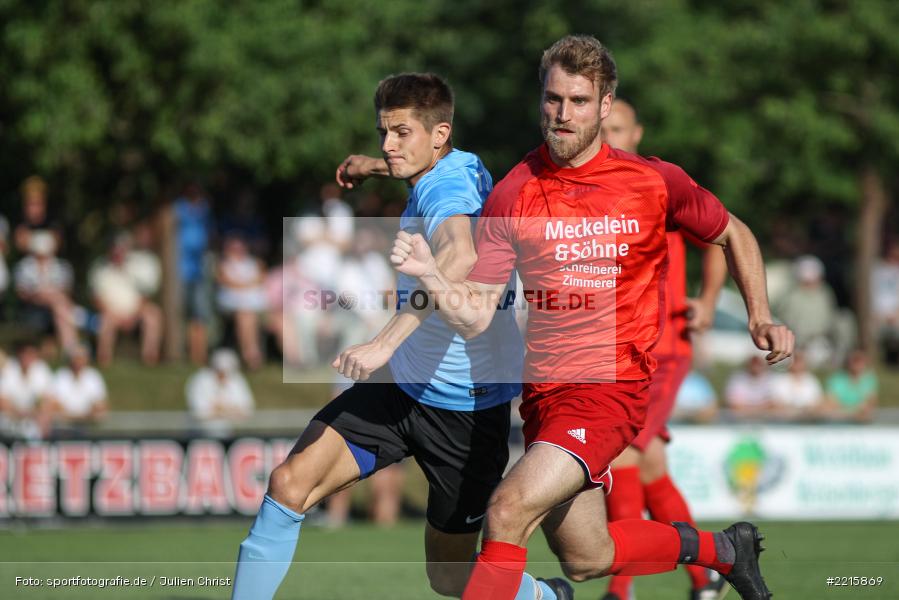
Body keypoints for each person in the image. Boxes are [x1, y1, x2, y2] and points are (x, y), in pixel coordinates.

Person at [389, 36, 793, 600]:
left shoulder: (653, 181)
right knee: (586, 557)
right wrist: (432, 278)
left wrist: (760, 316)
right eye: (553, 99)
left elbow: (733, 232)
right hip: (543, 395)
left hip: (610, 388)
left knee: (507, 509)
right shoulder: (515, 192)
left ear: (604, 105)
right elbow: (477, 312)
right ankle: (724, 550)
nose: (562, 113)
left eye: (578, 101)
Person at [232, 73, 566, 600]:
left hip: (465, 412)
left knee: (449, 578)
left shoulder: (447, 190)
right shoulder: (459, 164)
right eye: (383, 133)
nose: (389, 144)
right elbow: (417, 166)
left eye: (400, 133)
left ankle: (546, 597)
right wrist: (369, 165)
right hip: (401, 389)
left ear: (439, 134)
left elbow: (459, 253)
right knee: (289, 484)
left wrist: (383, 342)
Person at [598, 98, 728, 600]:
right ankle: (707, 574)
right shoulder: (588, 193)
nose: (607, 137)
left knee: (622, 457)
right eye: (601, 129)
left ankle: (621, 588)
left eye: (617, 128)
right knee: (649, 467)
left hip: (663, 349)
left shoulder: (659, 184)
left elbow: (719, 238)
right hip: (617, 351)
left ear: (638, 134)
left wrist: (709, 301)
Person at [90, 233, 163, 366]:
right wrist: (114, 315)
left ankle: (149, 359)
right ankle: (104, 360)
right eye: (115, 249)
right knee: (105, 321)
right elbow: (97, 299)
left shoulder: (138, 266)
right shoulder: (100, 268)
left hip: (135, 313)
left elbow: (145, 296)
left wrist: (134, 315)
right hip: (111, 314)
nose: (118, 253)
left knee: (153, 315)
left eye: (121, 249)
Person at [215, 234, 268, 369]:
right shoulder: (224, 264)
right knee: (245, 316)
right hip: (232, 302)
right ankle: (251, 354)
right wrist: (246, 285)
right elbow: (227, 282)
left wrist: (242, 285)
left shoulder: (255, 263)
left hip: (251, 303)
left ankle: (250, 353)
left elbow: (261, 278)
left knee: (247, 316)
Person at [186, 348, 254, 438]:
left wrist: (219, 410)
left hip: (231, 436)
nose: (223, 375)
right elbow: (200, 413)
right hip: (201, 436)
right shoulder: (200, 380)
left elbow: (247, 411)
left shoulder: (237, 379)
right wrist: (230, 411)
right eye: (220, 371)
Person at [47, 344, 108, 435]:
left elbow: (100, 405)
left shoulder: (94, 376)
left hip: (87, 427)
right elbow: (53, 403)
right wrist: (75, 417)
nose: (78, 361)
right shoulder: (60, 375)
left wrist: (82, 417)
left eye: (81, 358)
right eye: (76, 358)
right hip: (62, 428)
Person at [0, 340, 54, 440]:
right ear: (19, 354)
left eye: (31, 354)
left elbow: (46, 401)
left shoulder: (42, 369)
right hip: (9, 421)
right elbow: (3, 401)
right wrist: (21, 413)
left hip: (32, 422)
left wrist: (38, 415)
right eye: (25, 353)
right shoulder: (8, 368)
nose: (28, 357)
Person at [823, 349, 878, 422]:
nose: (858, 364)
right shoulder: (836, 379)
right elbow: (831, 403)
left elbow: (871, 403)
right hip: (839, 419)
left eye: (860, 361)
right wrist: (853, 411)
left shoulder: (869, 379)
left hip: (861, 419)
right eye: (855, 360)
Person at [768, 352, 823, 421]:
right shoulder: (781, 380)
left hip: (807, 418)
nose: (798, 365)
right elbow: (776, 402)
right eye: (796, 362)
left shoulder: (811, 380)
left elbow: (817, 402)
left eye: (800, 362)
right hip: (784, 418)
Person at [724, 355, 775, 420]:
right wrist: (760, 409)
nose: (755, 367)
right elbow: (733, 404)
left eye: (758, 364)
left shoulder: (771, 379)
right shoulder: (737, 379)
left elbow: (774, 404)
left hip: (766, 419)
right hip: (740, 419)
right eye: (754, 364)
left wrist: (750, 410)